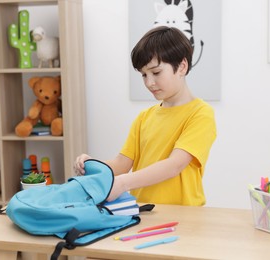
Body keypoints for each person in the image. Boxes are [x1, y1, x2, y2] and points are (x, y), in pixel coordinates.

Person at [74, 26, 216, 206]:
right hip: (143, 210)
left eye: (156, 72)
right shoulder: (144, 117)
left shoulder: (200, 113)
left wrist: (123, 182)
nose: (149, 83)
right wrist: (92, 166)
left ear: (182, 66)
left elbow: (175, 165)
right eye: (143, 75)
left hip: (184, 214)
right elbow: (122, 163)